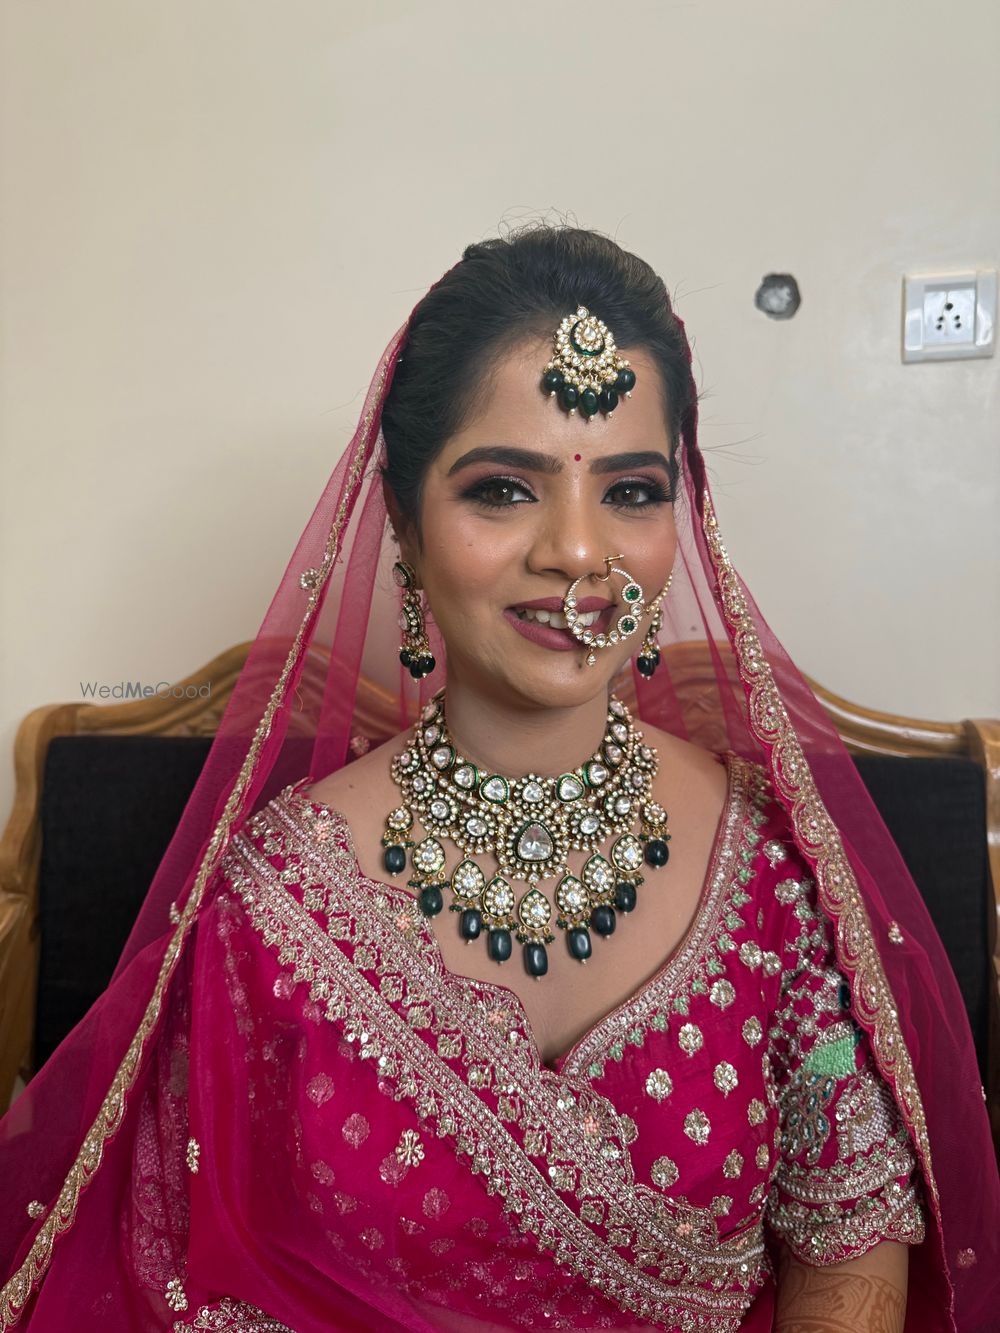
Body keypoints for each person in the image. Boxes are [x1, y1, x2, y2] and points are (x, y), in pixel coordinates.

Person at [0, 226, 996, 1332]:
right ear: (405, 523)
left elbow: (847, 1232)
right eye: (504, 488)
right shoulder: (276, 906)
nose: (577, 551)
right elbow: (183, 1274)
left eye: (630, 490)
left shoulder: (774, 865)